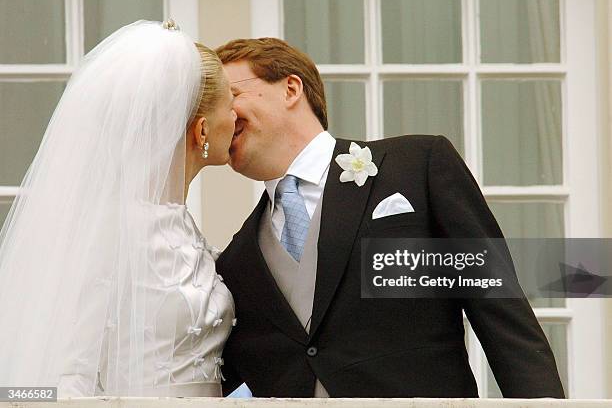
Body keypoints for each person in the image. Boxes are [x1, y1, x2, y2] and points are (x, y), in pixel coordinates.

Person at [214, 37, 566, 398]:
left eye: (230, 97)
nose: (222, 117)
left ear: (290, 89)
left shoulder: (417, 165)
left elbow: (499, 307)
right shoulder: (236, 260)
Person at [0, 20, 237, 397]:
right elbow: (68, 374)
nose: (237, 116)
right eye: (231, 104)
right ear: (202, 130)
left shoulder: (180, 221)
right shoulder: (109, 232)